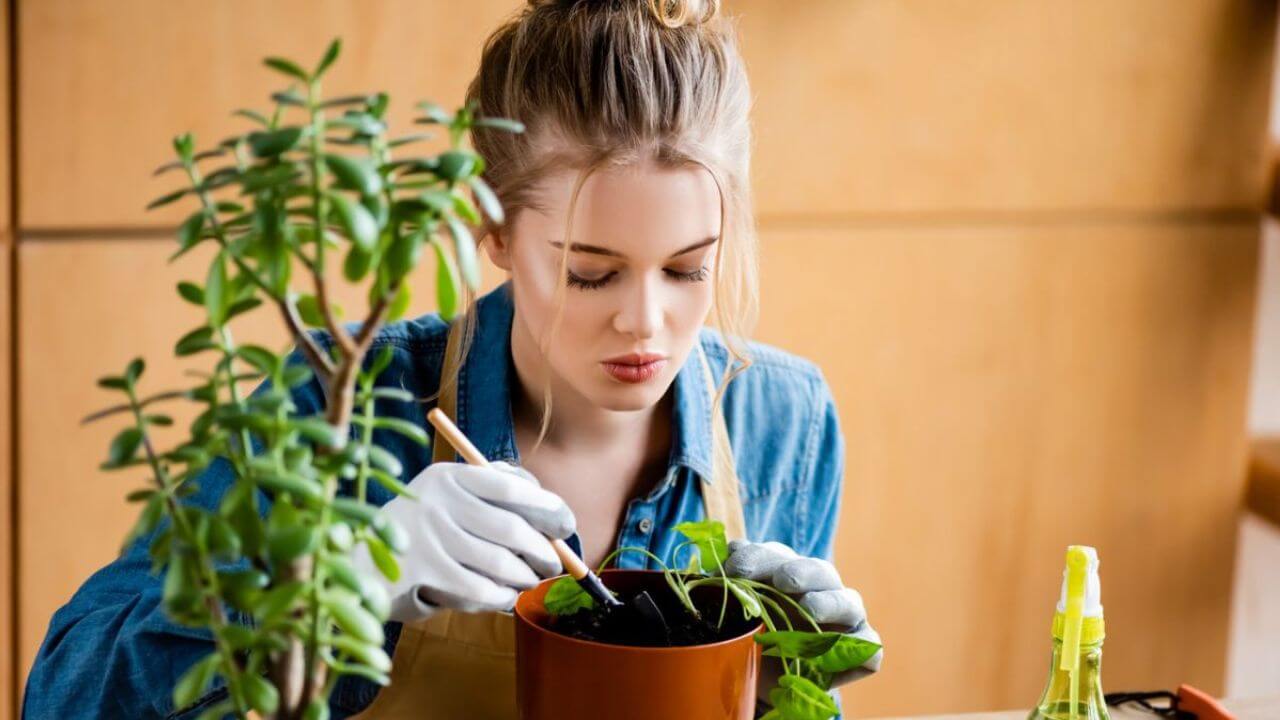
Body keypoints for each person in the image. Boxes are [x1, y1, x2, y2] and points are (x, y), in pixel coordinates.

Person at [24, 0, 880, 717]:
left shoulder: (782, 422)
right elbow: (66, 695)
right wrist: (340, 581)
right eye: (590, 273)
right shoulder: (345, 402)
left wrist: (791, 678)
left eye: (690, 268)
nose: (645, 323)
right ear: (495, 228)